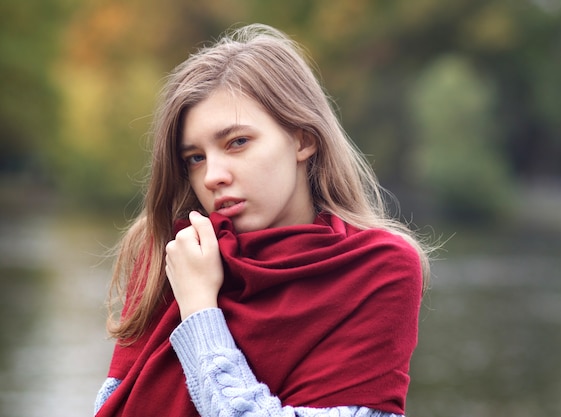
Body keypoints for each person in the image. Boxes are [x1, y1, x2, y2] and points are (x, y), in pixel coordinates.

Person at [94, 23, 430, 417]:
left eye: (237, 142)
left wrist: (200, 310)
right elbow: (112, 403)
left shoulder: (379, 268)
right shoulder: (174, 250)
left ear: (303, 139)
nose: (212, 175)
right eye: (195, 158)